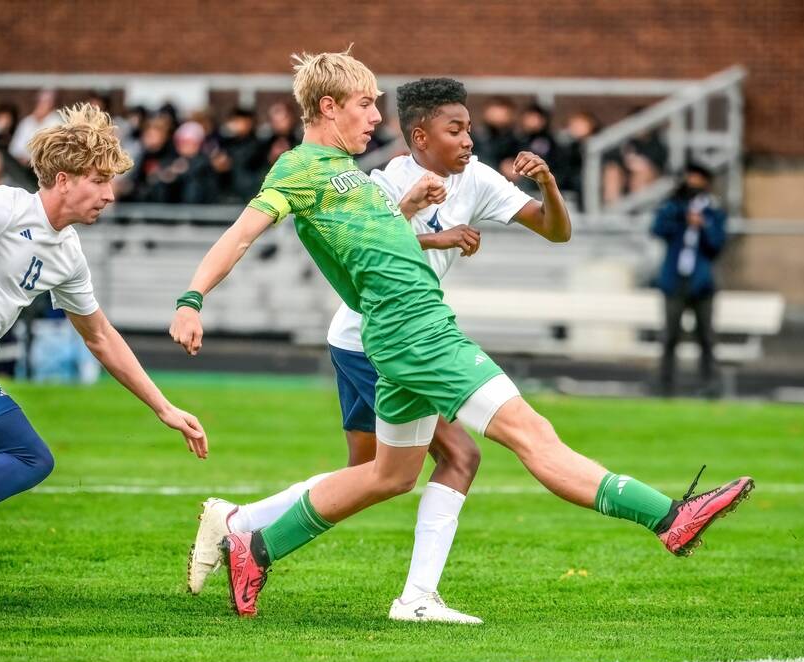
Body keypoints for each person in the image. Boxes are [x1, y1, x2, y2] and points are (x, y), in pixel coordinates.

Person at [169, 50, 753, 618]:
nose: (377, 117)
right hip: (417, 333)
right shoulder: (301, 169)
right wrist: (193, 299)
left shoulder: (348, 175)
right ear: (328, 107)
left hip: (396, 336)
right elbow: (241, 234)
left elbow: (367, 245)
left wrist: (408, 213)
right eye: (366, 105)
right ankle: (669, 518)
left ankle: (254, 544)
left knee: (389, 475)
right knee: (532, 434)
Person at [185, 77, 573, 624]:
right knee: (455, 457)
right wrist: (430, 228)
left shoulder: (478, 178)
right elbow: (370, 248)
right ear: (420, 135)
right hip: (376, 338)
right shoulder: (383, 179)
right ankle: (415, 597)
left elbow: (556, 232)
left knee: (371, 472)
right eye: (454, 129)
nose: (468, 139)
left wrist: (549, 187)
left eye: (468, 128)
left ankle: (238, 523)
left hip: (388, 336)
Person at [0, 104, 208, 526]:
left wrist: (163, 407)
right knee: (28, 456)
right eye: (99, 181)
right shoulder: (6, 206)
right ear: (63, 180)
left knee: (28, 457)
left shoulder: (68, 253)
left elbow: (99, 336)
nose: (110, 195)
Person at [650, 163, 728, 396]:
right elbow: (657, 229)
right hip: (675, 279)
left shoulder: (714, 211)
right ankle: (665, 384)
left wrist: (702, 226)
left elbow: (717, 245)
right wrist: (682, 219)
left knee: (705, 336)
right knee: (670, 335)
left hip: (701, 281)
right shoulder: (674, 206)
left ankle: (710, 384)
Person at [8, 90, 61, 166]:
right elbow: (15, 148)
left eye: (45, 102)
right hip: (22, 166)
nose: (41, 104)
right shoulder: (26, 122)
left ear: (52, 104)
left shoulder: (58, 123)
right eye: (39, 101)